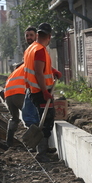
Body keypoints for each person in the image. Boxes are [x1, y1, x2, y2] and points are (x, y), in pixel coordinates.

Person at [23, 23, 61, 162]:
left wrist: (53, 70)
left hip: (34, 90)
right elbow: (38, 72)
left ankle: (44, 148)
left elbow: (41, 67)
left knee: (44, 119)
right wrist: (45, 91)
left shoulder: (31, 48)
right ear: (49, 36)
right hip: (40, 91)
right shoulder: (39, 50)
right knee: (46, 120)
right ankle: (41, 153)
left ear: (38, 35)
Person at [3, 26, 40, 147]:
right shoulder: (35, 52)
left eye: (31, 35)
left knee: (14, 118)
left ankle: (9, 141)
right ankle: (36, 145)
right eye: (27, 35)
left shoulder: (20, 65)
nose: (29, 38)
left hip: (8, 93)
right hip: (19, 93)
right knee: (33, 116)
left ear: (36, 36)